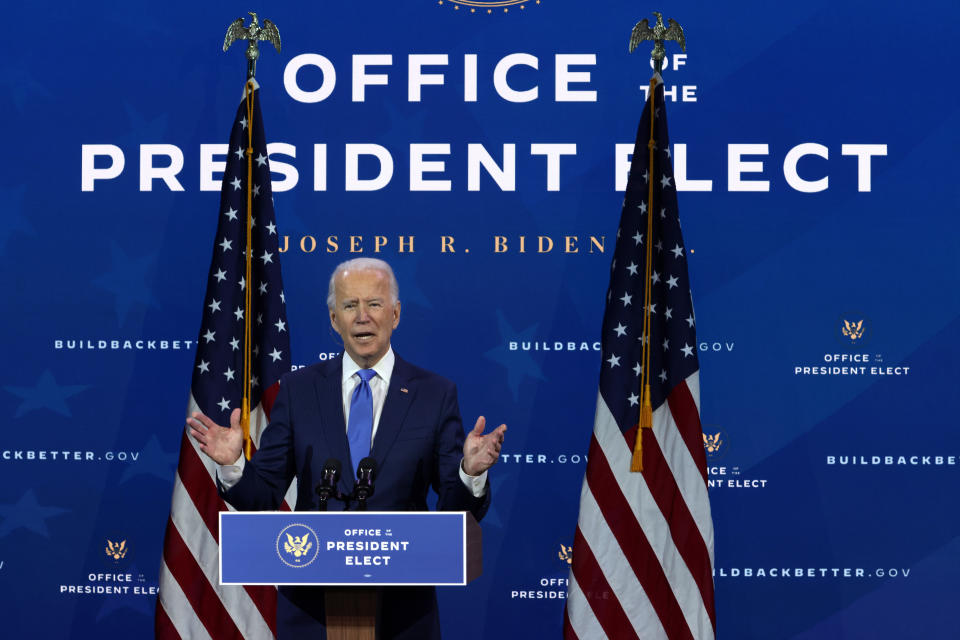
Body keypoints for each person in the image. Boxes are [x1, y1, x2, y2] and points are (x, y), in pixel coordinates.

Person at [187, 257, 506, 639]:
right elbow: (263, 493)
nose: (362, 317)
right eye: (350, 305)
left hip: (404, 613)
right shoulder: (298, 390)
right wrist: (235, 464)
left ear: (396, 314)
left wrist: (469, 474)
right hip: (311, 610)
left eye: (373, 304)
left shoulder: (434, 394)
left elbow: (454, 511)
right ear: (334, 319)